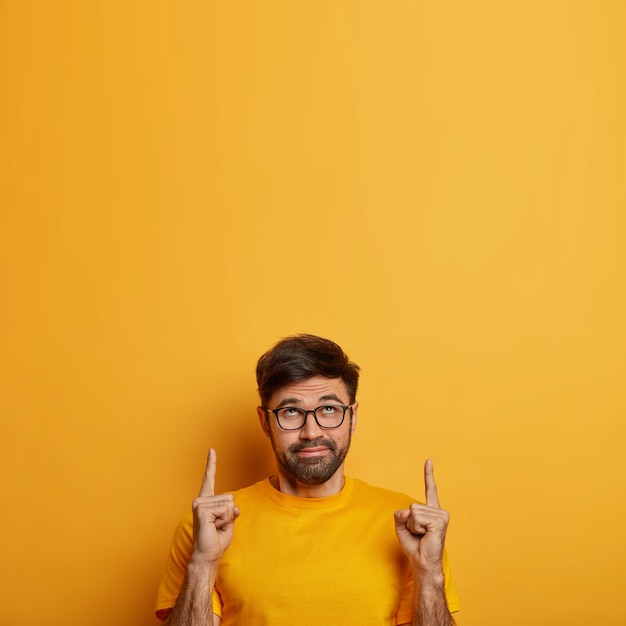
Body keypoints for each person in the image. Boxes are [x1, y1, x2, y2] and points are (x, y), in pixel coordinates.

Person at [155, 334, 460, 625]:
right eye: (291, 411)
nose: (311, 432)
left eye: (329, 409)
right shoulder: (209, 528)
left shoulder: (411, 528)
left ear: (352, 417)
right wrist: (202, 565)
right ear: (265, 421)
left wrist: (429, 571)